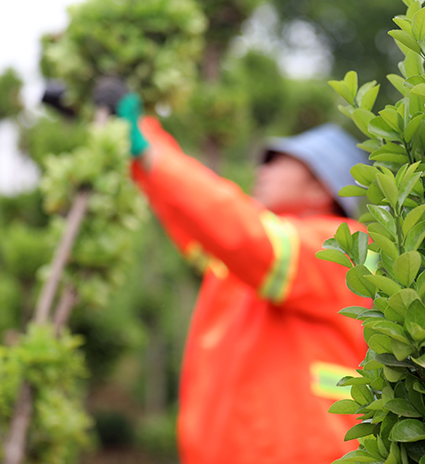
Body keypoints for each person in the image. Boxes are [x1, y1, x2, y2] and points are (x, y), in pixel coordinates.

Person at [93, 78, 371, 464]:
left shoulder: (342, 245)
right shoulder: (257, 257)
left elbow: (238, 230)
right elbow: (198, 218)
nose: (262, 168)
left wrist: (146, 143)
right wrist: (134, 137)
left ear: (321, 186)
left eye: (278, 161)